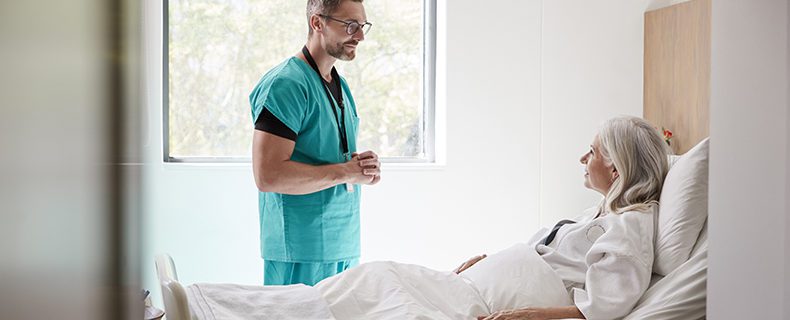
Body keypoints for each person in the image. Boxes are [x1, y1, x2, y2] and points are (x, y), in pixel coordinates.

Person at [456, 116, 670, 320]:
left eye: (592, 152)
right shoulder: (605, 210)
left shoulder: (630, 226)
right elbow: (555, 255)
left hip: (501, 302)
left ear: (615, 169)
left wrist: (530, 314)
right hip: (482, 289)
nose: (582, 159)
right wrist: (488, 266)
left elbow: (602, 307)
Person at [249, 0, 381, 286]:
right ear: (317, 23)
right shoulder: (287, 84)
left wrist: (361, 167)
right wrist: (346, 171)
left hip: (342, 243)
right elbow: (268, 175)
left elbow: (329, 155)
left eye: (362, 26)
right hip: (301, 249)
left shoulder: (339, 85)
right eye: (351, 25)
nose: (360, 36)